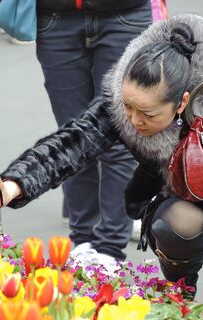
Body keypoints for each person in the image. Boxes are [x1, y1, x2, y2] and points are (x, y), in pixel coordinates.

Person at [0, 14, 203, 319]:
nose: (134, 120)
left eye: (148, 113)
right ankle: (180, 292)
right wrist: (11, 185)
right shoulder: (121, 103)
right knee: (178, 225)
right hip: (190, 206)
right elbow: (71, 143)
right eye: (128, 107)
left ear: (181, 103)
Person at [35, 0, 153, 265]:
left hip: (124, 14)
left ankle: (110, 249)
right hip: (56, 17)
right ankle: (83, 242)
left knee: (119, 136)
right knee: (72, 139)